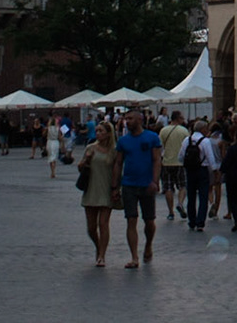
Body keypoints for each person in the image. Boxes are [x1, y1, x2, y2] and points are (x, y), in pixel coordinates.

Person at [113, 109, 162, 269]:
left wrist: (155, 181)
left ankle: (148, 245)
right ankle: (134, 256)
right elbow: (118, 163)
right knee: (131, 219)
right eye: (126, 119)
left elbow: (156, 160)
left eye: (130, 118)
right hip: (129, 184)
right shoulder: (123, 141)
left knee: (149, 221)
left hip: (147, 184)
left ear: (140, 120)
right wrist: (115, 186)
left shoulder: (152, 138)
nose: (127, 121)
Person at [80, 120, 120, 267]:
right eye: (96, 131)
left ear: (109, 133)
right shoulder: (90, 148)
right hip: (91, 189)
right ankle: (98, 246)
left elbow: (118, 170)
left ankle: (102, 255)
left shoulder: (114, 151)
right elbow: (80, 168)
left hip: (106, 189)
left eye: (101, 131)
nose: (97, 133)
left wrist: (116, 188)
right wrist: (86, 161)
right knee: (91, 228)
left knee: (103, 224)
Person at [181, 118, 212, 232]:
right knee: (203, 196)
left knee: (191, 196)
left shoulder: (186, 140)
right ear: (203, 129)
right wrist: (213, 170)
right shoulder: (205, 141)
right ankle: (200, 222)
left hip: (190, 170)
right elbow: (210, 157)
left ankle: (192, 221)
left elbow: (181, 156)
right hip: (202, 169)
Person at [159, 110, 189, 223]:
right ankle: (180, 203)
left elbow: (160, 146)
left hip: (167, 162)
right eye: (182, 118)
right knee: (182, 186)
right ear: (177, 118)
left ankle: (170, 212)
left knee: (168, 188)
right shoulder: (184, 131)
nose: (183, 120)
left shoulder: (163, 130)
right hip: (180, 163)